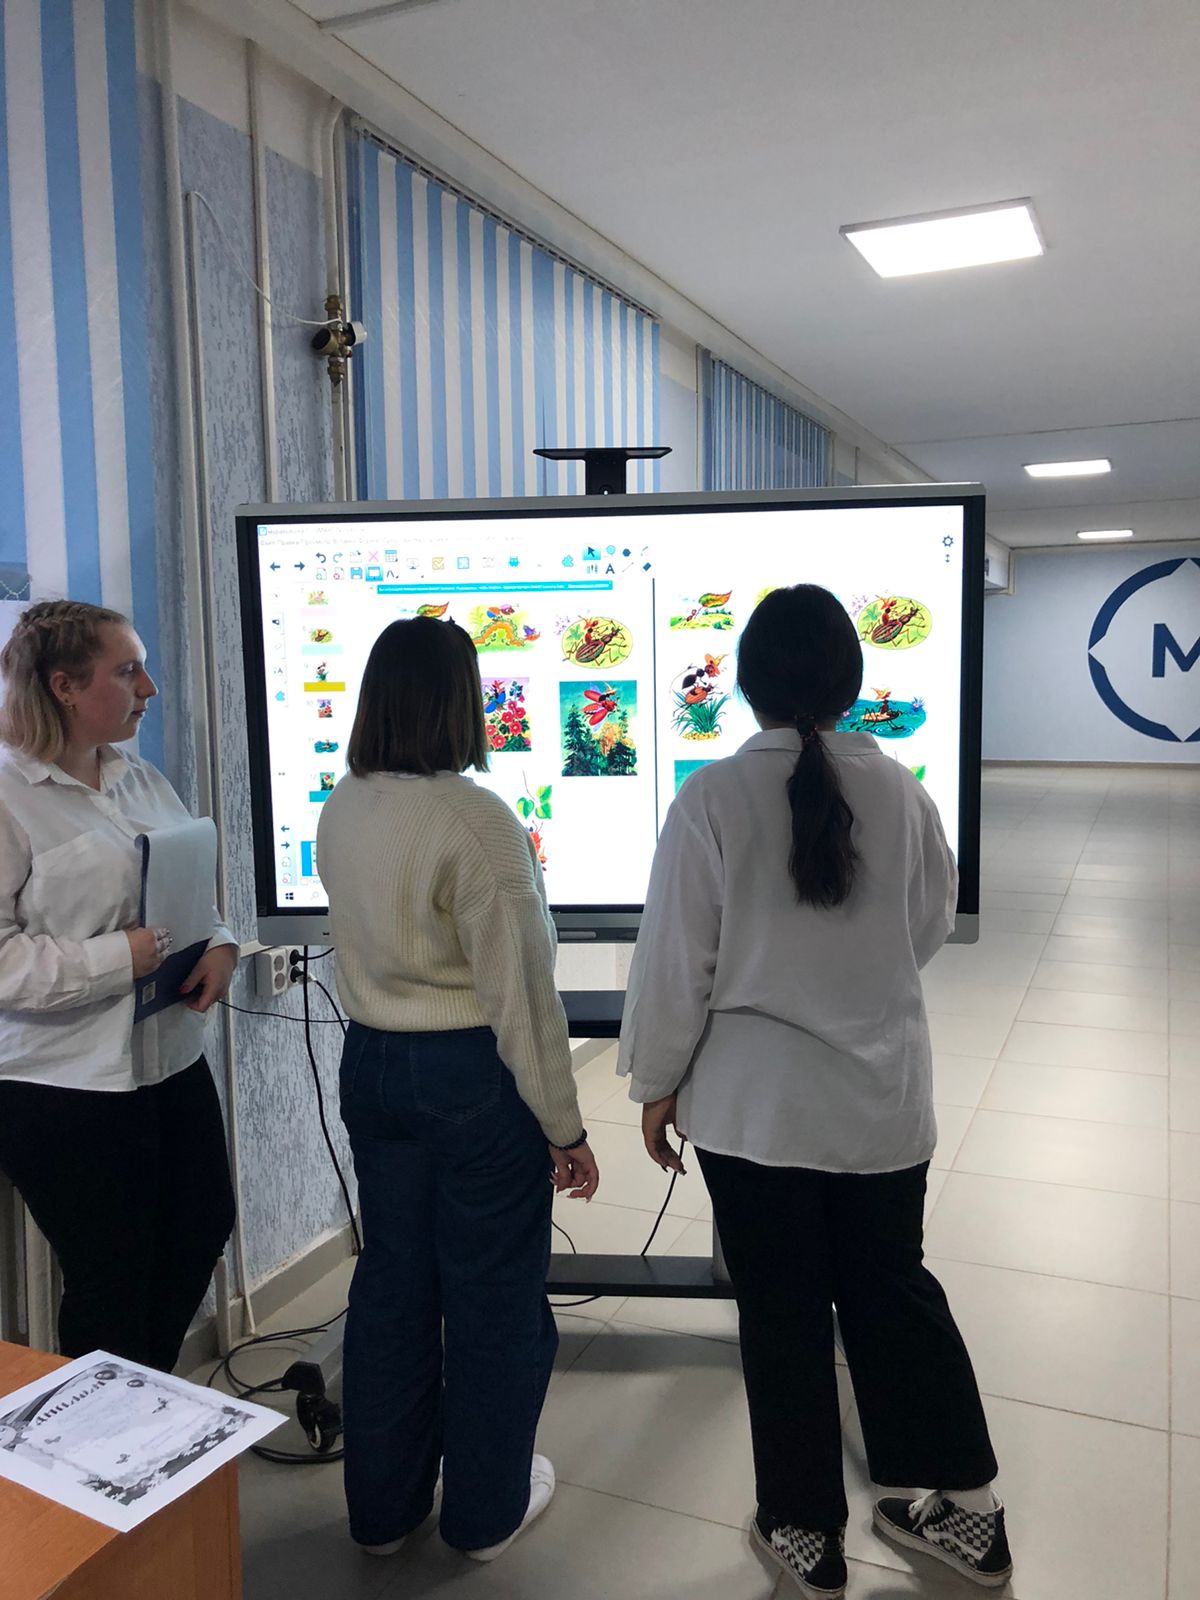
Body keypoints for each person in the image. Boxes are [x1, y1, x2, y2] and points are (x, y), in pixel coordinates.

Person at [618, 585, 1010, 1598]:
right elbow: (925, 928)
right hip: (883, 1105)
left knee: (783, 1313)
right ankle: (967, 1511)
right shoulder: (904, 792)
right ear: (852, 681)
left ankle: (804, 1531)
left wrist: (656, 1084)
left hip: (756, 1116)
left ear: (745, 685)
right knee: (894, 1294)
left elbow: (676, 963)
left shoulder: (710, 798)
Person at [317, 616, 599, 1563]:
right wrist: (564, 1125)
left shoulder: (343, 805)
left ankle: (383, 1515)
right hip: (468, 1077)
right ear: (460, 703)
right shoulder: (476, 822)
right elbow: (523, 998)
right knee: (492, 1300)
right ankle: (483, 1517)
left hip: (372, 1067)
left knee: (392, 1286)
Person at [0, 601, 238, 1371]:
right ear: (64, 686)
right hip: (63, 1085)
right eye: (128, 670)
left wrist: (222, 943)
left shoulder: (138, 777)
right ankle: (108, 1432)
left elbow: (184, 889)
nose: (150, 689)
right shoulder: (8, 795)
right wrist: (116, 960)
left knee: (201, 1227)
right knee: (112, 1279)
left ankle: (145, 1401)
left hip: (168, 1058)